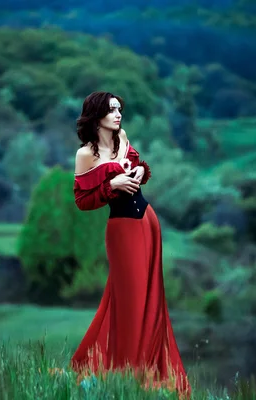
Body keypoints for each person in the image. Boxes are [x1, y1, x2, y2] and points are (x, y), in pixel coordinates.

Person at [70, 91, 190, 396]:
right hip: (122, 229)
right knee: (129, 300)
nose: (118, 114)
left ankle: (148, 371)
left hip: (148, 221)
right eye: (111, 110)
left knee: (152, 300)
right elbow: (82, 201)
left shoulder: (122, 138)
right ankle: (127, 372)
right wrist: (111, 185)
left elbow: (139, 168)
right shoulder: (86, 154)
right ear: (96, 115)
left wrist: (137, 170)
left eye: (119, 109)